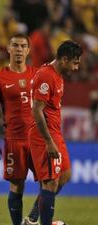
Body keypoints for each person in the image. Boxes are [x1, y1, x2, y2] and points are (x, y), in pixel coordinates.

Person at [0, 34, 40, 225]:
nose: (18, 49)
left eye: (22, 46)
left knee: (51, 181)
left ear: (27, 50)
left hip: (38, 139)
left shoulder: (37, 74)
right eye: (15, 45)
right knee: (17, 185)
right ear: (8, 49)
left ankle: (33, 218)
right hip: (14, 139)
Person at [29, 40, 82, 225]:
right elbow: (36, 110)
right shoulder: (46, 76)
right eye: (75, 63)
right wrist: (48, 141)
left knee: (65, 175)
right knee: (50, 182)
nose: (76, 67)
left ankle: (34, 217)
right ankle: (43, 222)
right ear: (64, 59)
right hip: (44, 136)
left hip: (55, 134)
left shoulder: (57, 74)